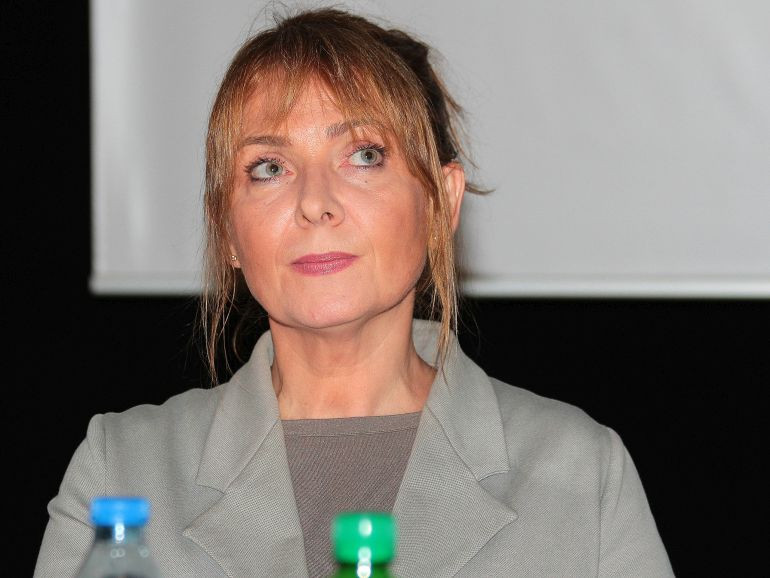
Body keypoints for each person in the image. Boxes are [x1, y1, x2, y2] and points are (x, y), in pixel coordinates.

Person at [35, 8, 673, 577]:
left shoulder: (580, 473)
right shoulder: (123, 470)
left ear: (440, 204)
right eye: (270, 168)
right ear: (226, 230)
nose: (315, 202)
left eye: (364, 155)